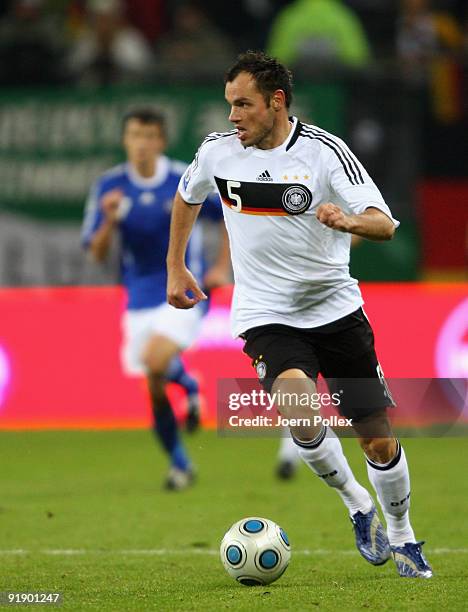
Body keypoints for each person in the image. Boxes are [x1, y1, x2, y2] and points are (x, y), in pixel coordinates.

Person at [166, 51, 433, 577]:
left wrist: (350, 220)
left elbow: (386, 224)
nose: (232, 116)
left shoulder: (325, 153)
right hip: (267, 315)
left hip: (335, 311)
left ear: (277, 101)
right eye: (229, 105)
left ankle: (402, 535)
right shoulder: (219, 153)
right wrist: (175, 266)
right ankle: (356, 502)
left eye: (243, 104)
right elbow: (186, 196)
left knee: (376, 436)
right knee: (298, 405)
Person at [82, 107, 229, 490]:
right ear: (125, 141)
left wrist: (221, 267)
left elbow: (231, 216)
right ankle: (181, 462)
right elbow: (96, 254)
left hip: (183, 291)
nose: (142, 144)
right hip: (138, 298)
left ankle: (185, 395)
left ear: (161, 141)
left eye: (149, 136)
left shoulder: (186, 178)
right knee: (153, 383)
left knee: (154, 361)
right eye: (135, 135)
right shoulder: (110, 186)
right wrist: (109, 221)